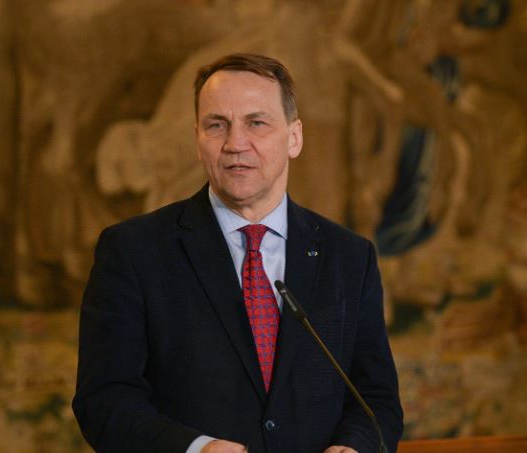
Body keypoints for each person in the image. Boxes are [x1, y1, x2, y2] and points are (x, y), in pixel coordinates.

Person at [72, 53, 403, 453]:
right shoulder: (133, 251)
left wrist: (354, 448)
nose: (235, 144)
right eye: (217, 125)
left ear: (294, 137)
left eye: (256, 123)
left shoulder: (349, 257)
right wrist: (196, 449)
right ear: (198, 138)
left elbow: (376, 400)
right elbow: (103, 400)